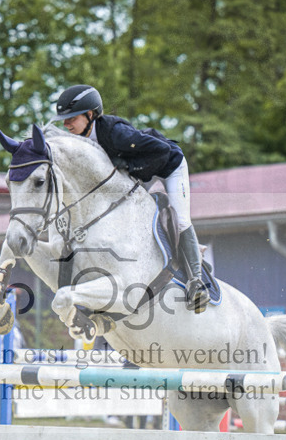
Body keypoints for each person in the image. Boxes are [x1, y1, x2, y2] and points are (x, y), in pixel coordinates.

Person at [53, 84, 209, 312]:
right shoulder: (81, 141)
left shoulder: (115, 132)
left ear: (90, 115)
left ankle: (197, 282)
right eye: (64, 120)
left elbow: (162, 151)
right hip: (141, 170)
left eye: (71, 119)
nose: (66, 124)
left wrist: (129, 165)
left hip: (169, 166)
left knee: (182, 219)